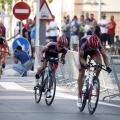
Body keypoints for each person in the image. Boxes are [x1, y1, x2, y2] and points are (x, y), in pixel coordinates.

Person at [77, 34, 112, 107]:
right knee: (81, 72)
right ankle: (79, 96)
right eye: (91, 46)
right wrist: (85, 64)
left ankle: (95, 81)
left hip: (94, 50)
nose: (91, 47)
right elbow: (80, 58)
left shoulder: (98, 43)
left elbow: (104, 56)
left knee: (99, 65)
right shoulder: (83, 42)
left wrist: (107, 66)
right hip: (84, 52)